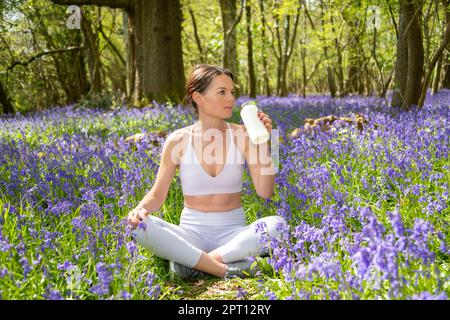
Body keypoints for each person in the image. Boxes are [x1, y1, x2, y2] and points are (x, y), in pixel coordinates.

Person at [127, 64, 287, 280]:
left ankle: (192, 264)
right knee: (139, 227)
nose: (230, 98)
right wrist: (138, 211)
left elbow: (265, 192)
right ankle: (225, 269)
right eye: (221, 92)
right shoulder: (178, 140)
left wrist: (264, 143)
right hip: (191, 234)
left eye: (232, 92)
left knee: (278, 225)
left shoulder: (244, 136)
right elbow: (157, 195)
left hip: (234, 235)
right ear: (198, 97)